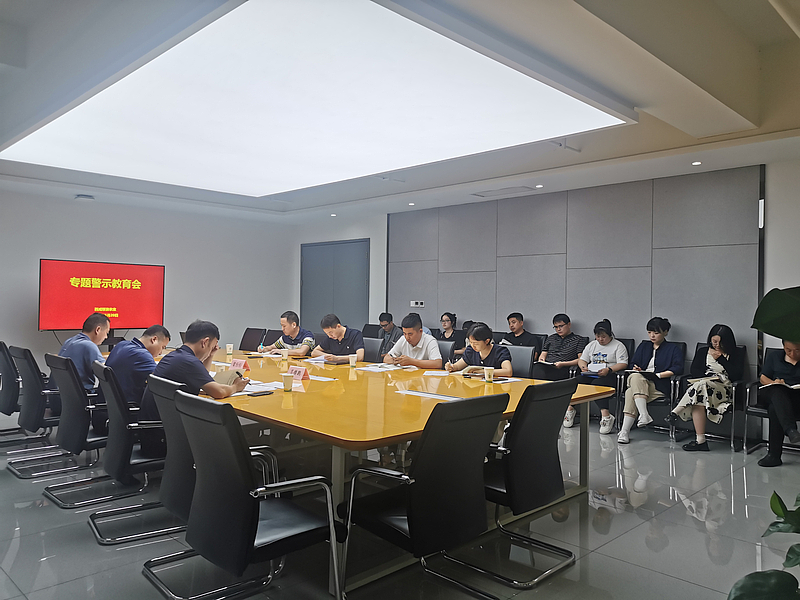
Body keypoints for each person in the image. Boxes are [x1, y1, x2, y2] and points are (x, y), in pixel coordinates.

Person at [138, 320, 247, 457]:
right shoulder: (188, 361)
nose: (212, 349)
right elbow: (218, 392)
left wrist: (210, 354)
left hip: (153, 434)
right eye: (212, 346)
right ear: (205, 342)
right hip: (166, 439)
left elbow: (202, 379)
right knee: (227, 434)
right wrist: (235, 387)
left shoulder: (175, 356)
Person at [671, 324, 745, 452]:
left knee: (700, 386)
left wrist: (721, 359)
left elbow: (736, 375)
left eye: (720, 342)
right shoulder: (703, 351)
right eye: (714, 341)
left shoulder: (736, 353)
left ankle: (675, 412)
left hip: (724, 389)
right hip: (703, 389)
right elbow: (694, 371)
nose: (717, 345)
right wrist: (708, 377)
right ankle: (701, 441)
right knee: (701, 391)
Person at [617, 317, 684, 444]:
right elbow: (633, 363)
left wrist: (659, 375)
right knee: (636, 376)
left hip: (659, 386)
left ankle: (625, 431)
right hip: (641, 382)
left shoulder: (673, 348)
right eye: (649, 332)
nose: (652, 336)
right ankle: (643, 415)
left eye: (656, 333)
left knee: (630, 392)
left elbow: (678, 368)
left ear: (665, 332)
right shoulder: (644, 346)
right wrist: (636, 368)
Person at [95, 324, 171, 434]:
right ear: (154, 339)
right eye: (162, 347)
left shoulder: (121, 345)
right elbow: (164, 380)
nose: (160, 353)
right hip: (121, 422)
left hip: (104, 415)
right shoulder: (142, 355)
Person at [565, 319, 628, 434]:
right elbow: (582, 360)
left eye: (603, 337)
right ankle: (570, 409)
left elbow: (623, 364)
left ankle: (606, 416)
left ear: (610, 335)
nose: (600, 339)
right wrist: (583, 367)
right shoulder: (592, 345)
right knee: (575, 382)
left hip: (609, 375)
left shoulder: (618, 346)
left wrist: (609, 370)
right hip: (591, 373)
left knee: (597, 386)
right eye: (598, 336)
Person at [53, 312, 111, 415]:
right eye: (106, 332)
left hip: (60, 398)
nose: (106, 337)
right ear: (98, 330)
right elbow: (106, 372)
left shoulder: (70, 341)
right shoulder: (89, 346)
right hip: (78, 400)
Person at [755, 339, 800, 467]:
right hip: (775, 393)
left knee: (774, 408)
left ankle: (774, 456)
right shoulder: (775, 356)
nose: (792, 354)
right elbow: (763, 378)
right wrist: (774, 382)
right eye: (788, 350)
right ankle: (790, 429)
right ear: (783, 347)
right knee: (777, 391)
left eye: (797, 350)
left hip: (796, 400)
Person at [446, 322, 512, 377]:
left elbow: (508, 371)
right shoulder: (471, 350)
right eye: (471, 342)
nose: (473, 346)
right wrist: (451, 367)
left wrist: (483, 372)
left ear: (487, 341)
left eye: (476, 343)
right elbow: (457, 366)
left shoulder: (500, 351)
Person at [533, 313, 587, 381]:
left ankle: (540, 386)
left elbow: (581, 359)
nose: (558, 329)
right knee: (537, 367)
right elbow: (543, 353)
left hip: (564, 367)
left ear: (569, 325)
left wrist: (563, 364)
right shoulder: (551, 338)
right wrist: (541, 360)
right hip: (548, 365)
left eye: (561, 326)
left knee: (546, 374)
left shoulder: (579, 340)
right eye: (556, 327)